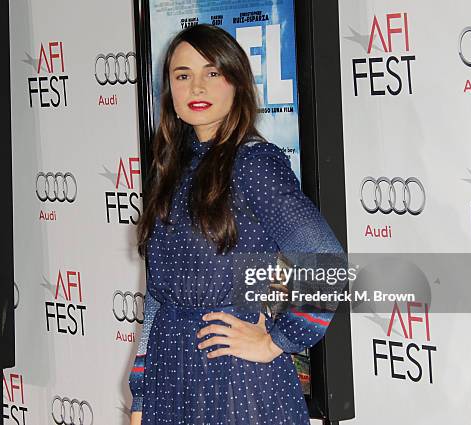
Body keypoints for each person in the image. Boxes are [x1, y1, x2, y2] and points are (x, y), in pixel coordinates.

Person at [128, 24, 345, 425]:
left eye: (212, 73)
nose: (197, 87)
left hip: (236, 383)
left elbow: (327, 264)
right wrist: (141, 395)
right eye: (182, 76)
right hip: (168, 380)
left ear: (237, 83)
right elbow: (157, 296)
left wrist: (276, 341)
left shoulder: (254, 163)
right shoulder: (170, 169)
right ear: (170, 91)